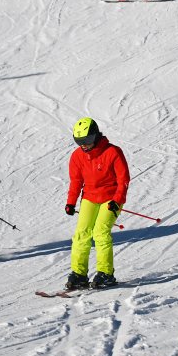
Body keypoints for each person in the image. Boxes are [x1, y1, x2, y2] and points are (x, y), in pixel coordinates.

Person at [65, 117, 130, 291]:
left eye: (87, 140)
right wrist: (71, 203)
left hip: (111, 199)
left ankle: (105, 273)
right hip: (90, 197)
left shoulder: (113, 152)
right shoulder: (77, 156)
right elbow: (76, 181)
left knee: (100, 232)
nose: (83, 145)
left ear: (95, 135)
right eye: (79, 141)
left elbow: (123, 179)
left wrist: (117, 201)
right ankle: (79, 274)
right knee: (81, 234)